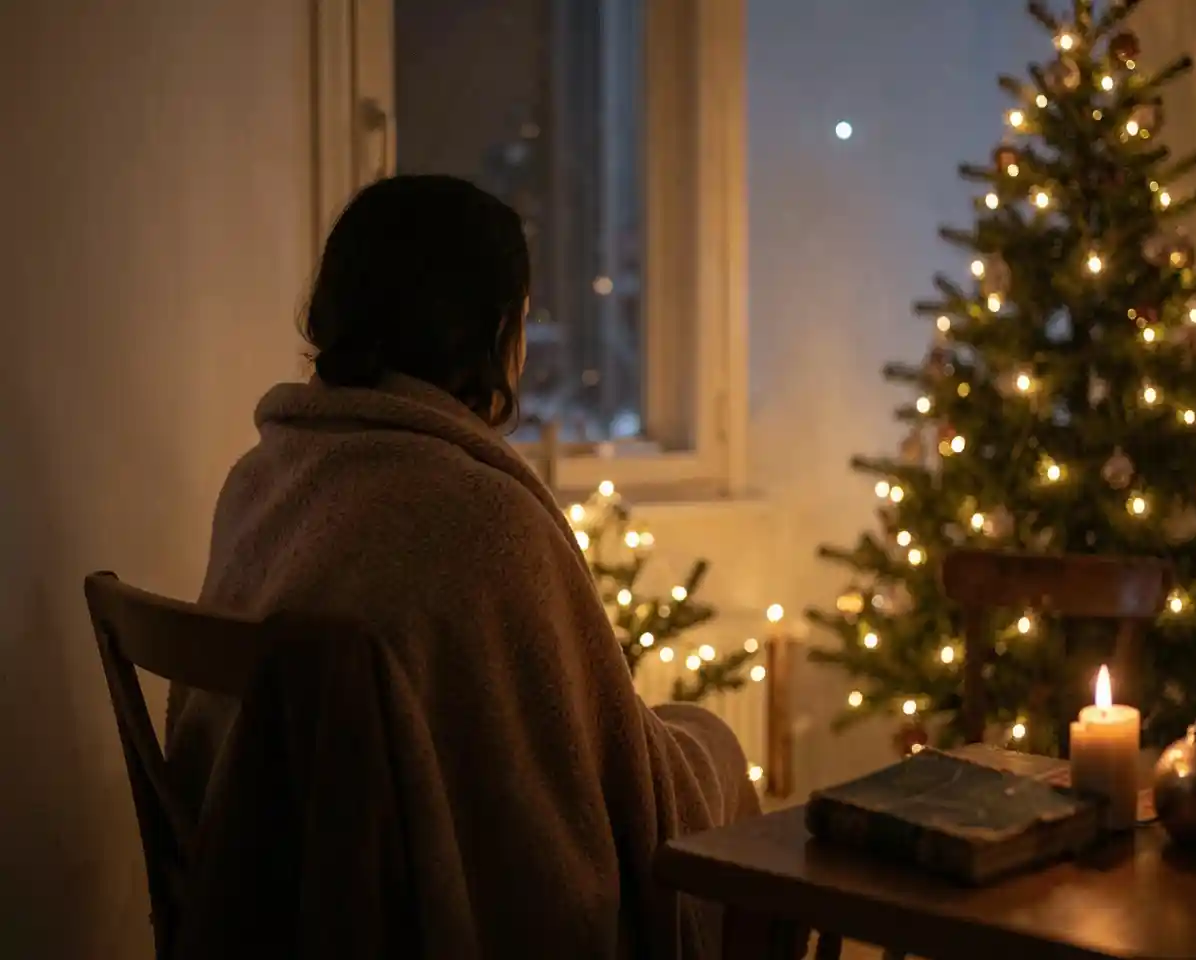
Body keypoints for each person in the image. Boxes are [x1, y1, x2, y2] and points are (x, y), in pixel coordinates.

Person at [166, 174, 759, 958]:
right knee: (711, 748)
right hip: (399, 912)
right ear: (494, 333)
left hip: (267, 899)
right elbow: (551, 832)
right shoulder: (480, 524)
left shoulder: (265, 475)